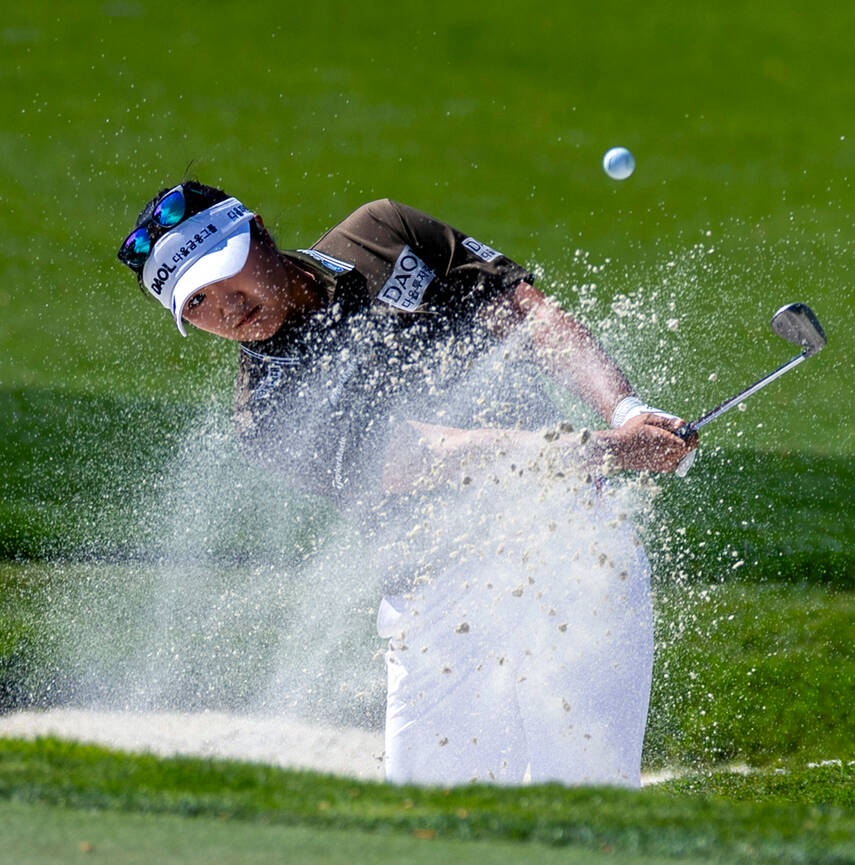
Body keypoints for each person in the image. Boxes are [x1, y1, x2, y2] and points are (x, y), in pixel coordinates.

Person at [117, 180, 698, 787]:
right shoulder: (266, 414)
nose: (226, 310)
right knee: (433, 828)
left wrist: (625, 410)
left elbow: (525, 316)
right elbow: (427, 455)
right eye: (198, 305)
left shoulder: (381, 232)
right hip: (439, 603)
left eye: (227, 277)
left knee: (585, 800)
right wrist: (604, 451)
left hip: (575, 552)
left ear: (258, 232)